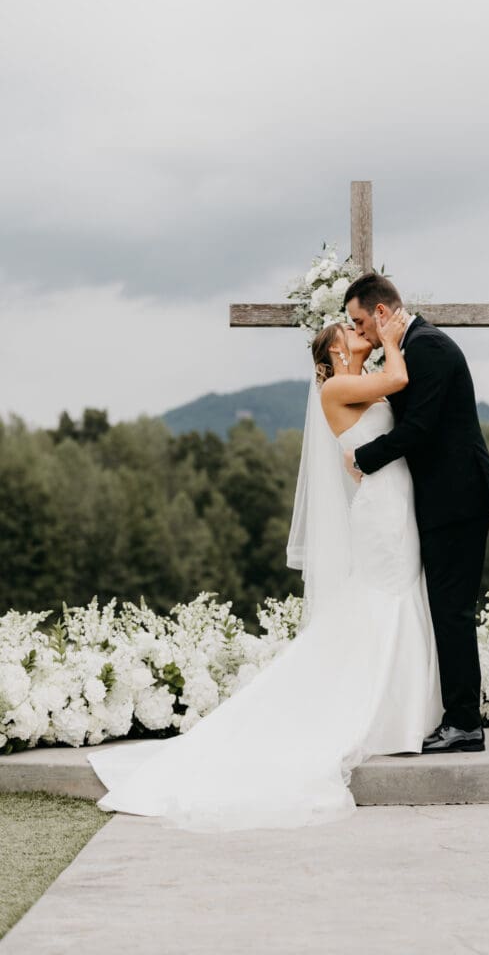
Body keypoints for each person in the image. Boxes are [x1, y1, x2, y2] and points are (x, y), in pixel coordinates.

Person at [88, 307, 442, 832]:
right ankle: (390, 719)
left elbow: (378, 426)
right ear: (335, 353)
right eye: (351, 331)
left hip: (393, 503)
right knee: (384, 597)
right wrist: (393, 338)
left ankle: (404, 714)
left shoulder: (358, 385)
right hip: (382, 517)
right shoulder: (336, 391)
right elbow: (400, 379)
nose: (361, 332)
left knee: (396, 596)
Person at [343, 273, 489, 753]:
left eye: (360, 322)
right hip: (442, 499)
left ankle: (464, 724)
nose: (361, 334)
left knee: (452, 611)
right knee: (445, 609)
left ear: (380, 312)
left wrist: (363, 459)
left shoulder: (429, 347)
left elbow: (419, 427)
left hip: (457, 499)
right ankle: (455, 716)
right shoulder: (411, 347)